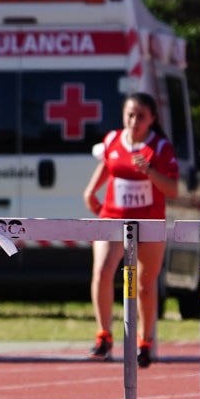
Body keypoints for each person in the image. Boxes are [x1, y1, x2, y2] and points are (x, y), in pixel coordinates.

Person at [82, 92, 179, 368]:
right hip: (112, 217)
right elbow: (108, 165)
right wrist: (91, 190)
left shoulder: (159, 148)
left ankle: (145, 342)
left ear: (152, 119)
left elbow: (172, 189)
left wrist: (150, 172)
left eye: (140, 116)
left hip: (148, 222)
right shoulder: (113, 140)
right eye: (129, 115)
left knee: (144, 285)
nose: (133, 121)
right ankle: (103, 337)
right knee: (101, 271)